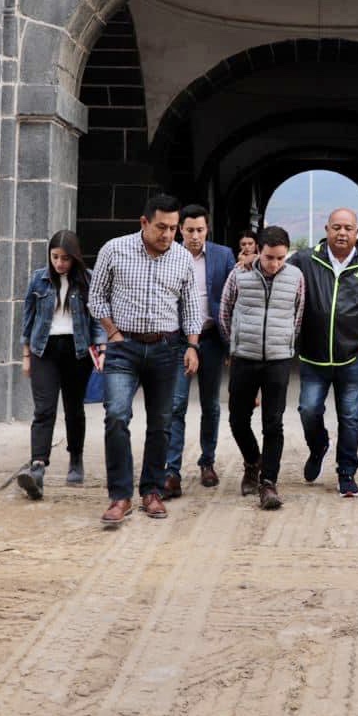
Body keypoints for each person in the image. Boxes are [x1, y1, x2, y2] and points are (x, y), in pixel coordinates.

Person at [88, 193, 204, 529]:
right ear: (144, 223)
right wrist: (111, 333)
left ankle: (151, 491)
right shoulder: (115, 249)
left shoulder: (182, 258)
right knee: (116, 416)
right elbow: (97, 297)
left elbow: (191, 306)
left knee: (162, 423)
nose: (167, 234)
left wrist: (192, 346)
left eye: (172, 228)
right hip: (124, 347)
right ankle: (120, 496)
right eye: (161, 227)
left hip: (166, 348)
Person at [290, 207, 358, 498]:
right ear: (326, 229)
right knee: (308, 410)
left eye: (348, 228)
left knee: (350, 416)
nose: (342, 233)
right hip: (314, 356)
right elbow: (276, 273)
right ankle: (318, 445)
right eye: (336, 227)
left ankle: (346, 472)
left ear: (356, 231)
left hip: (353, 359)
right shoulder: (304, 261)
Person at [219, 224, 306, 510]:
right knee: (237, 419)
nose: (275, 264)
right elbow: (225, 312)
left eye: (281, 257)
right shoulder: (240, 274)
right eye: (270, 257)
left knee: (274, 422)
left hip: (278, 360)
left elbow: (298, 315)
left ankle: (268, 482)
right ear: (259, 250)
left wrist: (284, 345)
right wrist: (236, 343)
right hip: (245, 357)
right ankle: (252, 461)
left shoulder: (295, 278)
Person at [17, 229, 106, 499]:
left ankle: (75, 459)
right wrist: (26, 355)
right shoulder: (39, 279)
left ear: (74, 258)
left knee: (73, 409)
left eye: (65, 258)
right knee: (44, 409)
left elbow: (97, 318)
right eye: (55, 257)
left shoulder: (87, 280)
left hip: (77, 351)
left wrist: (101, 347)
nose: (59, 263)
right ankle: (37, 467)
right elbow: (28, 318)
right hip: (44, 349)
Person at [164, 204, 235, 498]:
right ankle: (171, 470)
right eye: (189, 230)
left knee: (211, 404)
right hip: (179, 340)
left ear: (207, 230)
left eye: (200, 230)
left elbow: (234, 297)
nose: (195, 236)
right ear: (180, 229)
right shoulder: (168, 254)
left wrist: (234, 343)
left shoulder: (222, 255)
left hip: (212, 338)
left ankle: (208, 461)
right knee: (176, 404)